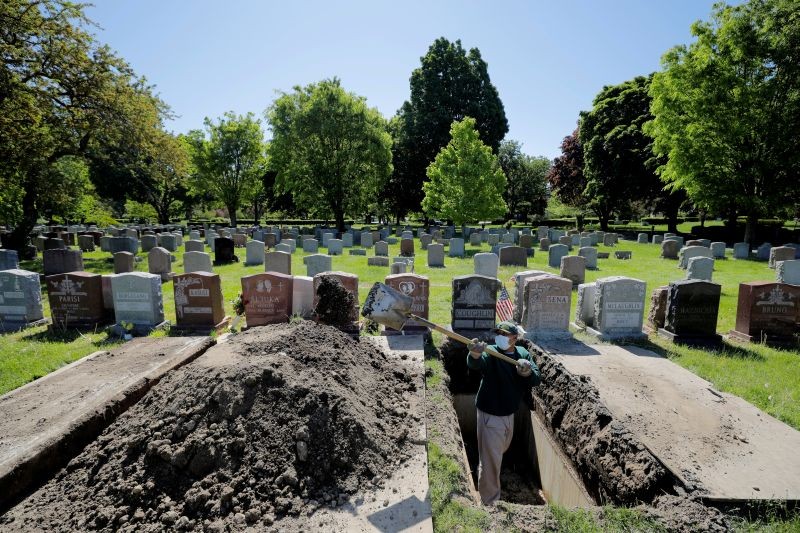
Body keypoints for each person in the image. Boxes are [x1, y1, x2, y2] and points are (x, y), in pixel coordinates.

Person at [466, 321, 541, 505]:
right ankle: (490, 502)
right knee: (491, 461)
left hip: (509, 414)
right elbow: (477, 364)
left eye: (504, 334)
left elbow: (536, 377)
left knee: (498, 451)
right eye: (498, 333)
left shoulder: (522, 354)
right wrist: (474, 354)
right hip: (491, 414)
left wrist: (527, 372)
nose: (499, 336)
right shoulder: (491, 352)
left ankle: (483, 471)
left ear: (515, 338)